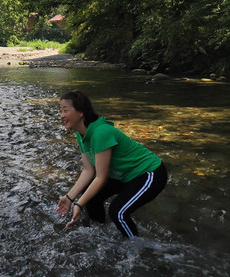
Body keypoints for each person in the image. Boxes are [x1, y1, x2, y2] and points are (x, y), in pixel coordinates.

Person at [56, 90, 167, 238]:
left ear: (80, 112)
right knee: (91, 196)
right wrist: (69, 198)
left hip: (149, 174)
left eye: (65, 110)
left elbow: (100, 178)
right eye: (60, 111)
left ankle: (137, 249)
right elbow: (88, 171)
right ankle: (100, 233)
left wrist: (78, 204)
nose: (62, 115)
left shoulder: (101, 132)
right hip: (123, 175)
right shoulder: (81, 134)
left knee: (118, 211)